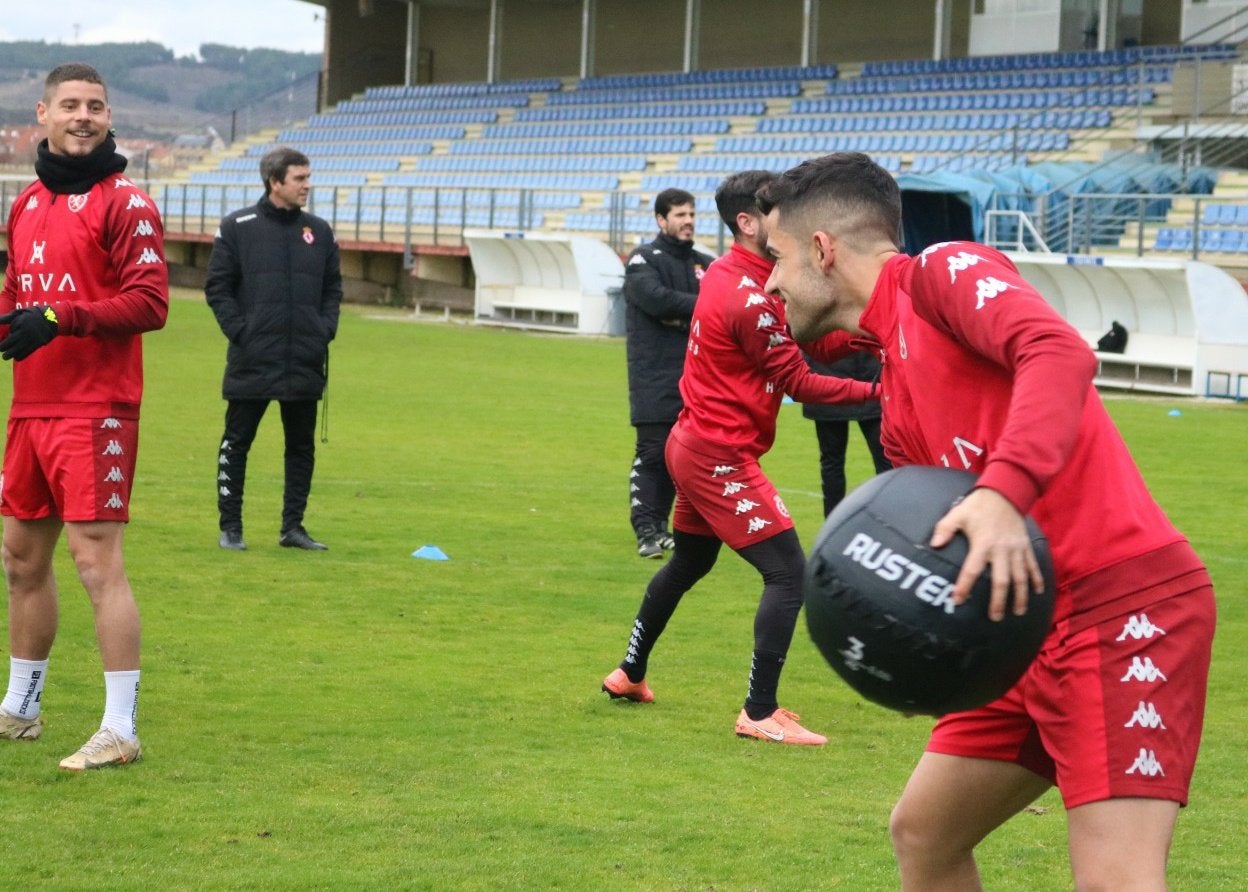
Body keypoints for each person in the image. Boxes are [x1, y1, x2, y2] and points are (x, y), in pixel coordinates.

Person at [758, 152, 1215, 888]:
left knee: (1115, 877)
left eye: (774, 257)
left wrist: (1004, 492)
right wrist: (926, 661)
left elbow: (1057, 350)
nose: (771, 281)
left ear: (822, 249)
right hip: (1017, 627)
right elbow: (937, 544)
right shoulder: (894, 382)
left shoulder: (943, 271)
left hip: (1119, 609)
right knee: (925, 834)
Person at [601, 170, 875, 745]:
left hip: (694, 442)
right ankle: (758, 710)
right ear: (748, 222)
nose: (790, 217)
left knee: (688, 565)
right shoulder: (747, 293)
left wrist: (868, 332)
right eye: (778, 209)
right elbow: (800, 380)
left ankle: (629, 673)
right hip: (718, 456)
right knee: (787, 574)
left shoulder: (735, 273)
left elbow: (806, 336)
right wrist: (885, 392)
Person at [0, 63, 169, 769]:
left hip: (97, 407)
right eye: (70, 104)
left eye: (95, 106)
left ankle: (121, 729)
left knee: (96, 563)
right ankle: (22, 708)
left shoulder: (125, 202)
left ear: (109, 118)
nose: (83, 115)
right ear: (41, 114)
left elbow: (151, 303)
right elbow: (19, 294)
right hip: (32, 406)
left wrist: (58, 317)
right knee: (19, 559)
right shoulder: (26, 203)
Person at [205, 146, 342, 552]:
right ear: (275, 182)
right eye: (300, 178)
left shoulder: (318, 231)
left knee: (300, 446)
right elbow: (217, 287)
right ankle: (231, 527)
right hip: (253, 357)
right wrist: (241, 332)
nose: (308, 185)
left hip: (304, 358)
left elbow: (332, 287)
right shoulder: (238, 227)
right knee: (237, 441)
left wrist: (324, 330)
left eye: (308, 177)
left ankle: (293, 528)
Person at [622, 188, 715, 559]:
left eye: (691, 214)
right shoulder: (642, 259)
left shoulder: (706, 263)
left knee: (681, 453)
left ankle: (663, 528)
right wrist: (700, 307)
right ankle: (645, 529)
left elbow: (720, 305)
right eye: (679, 215)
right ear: (661, 220)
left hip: (697, 376)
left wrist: (683, 313)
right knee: (652, 451)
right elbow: (656, 300)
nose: (687, 221)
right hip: (653, 373)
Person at [800, 350, 891, 517]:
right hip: (865, 378)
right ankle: (890, 521)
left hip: (831, 379)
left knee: (832, 462)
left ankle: (832, 526)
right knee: (885, 460)